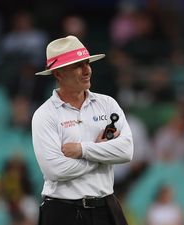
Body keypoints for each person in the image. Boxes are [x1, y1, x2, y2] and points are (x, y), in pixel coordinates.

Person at [32, 35, 134, 225]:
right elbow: (56, 170)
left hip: (106, 207)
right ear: (58, 73)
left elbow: (126, 151)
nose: (87, 70)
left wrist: (83, 150)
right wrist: (102, 154)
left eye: (87, 63)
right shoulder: (44, 114)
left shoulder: (108, 103)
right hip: (62, 211)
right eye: (78, 65)